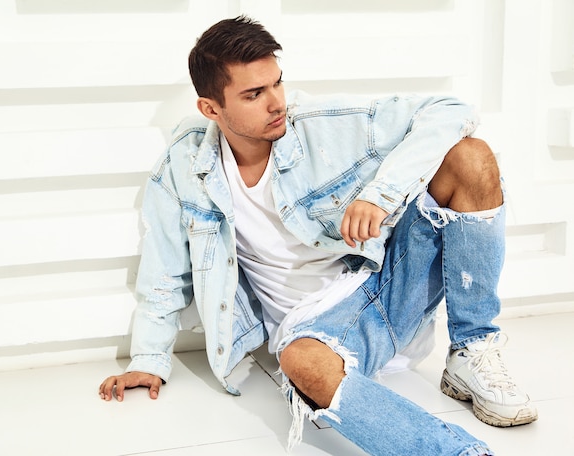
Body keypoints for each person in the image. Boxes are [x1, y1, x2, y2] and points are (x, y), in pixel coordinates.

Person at [99, 15, 538, 455]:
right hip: (318, 332)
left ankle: (472, 348)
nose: (276, 103)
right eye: (254, 94)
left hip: (387, 283)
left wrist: (380, 195)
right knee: (298, 363)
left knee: (470, 156)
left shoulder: (317, 124)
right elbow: (164, 269)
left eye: (277, 83)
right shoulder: (184, 165)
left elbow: (452, 110)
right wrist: (149, 361)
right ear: (211, 109)